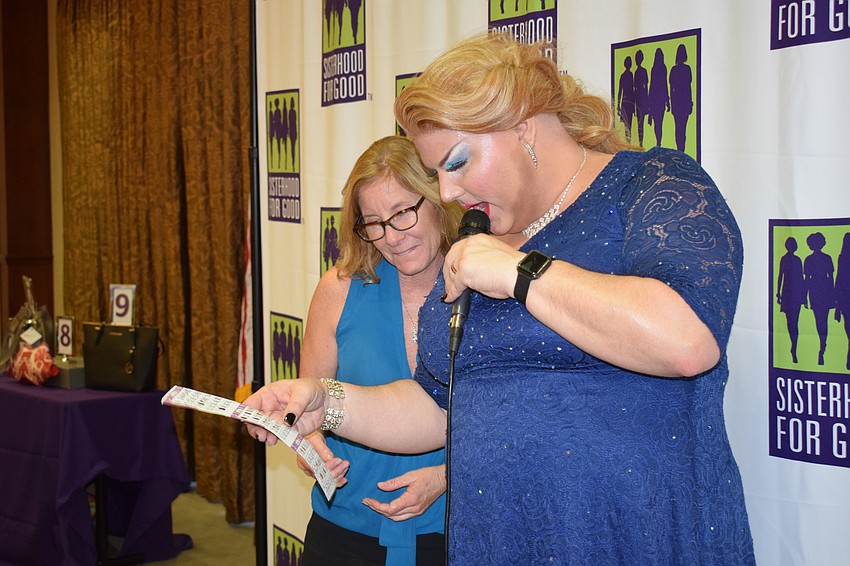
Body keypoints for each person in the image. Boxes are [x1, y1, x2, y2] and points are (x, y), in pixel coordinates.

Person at [247, 33, 755, 565]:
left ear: (521, 124)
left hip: (635, 535)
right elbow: (436, 405)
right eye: (437, 172)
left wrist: (520, 270)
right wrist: (326, 401)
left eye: (456, 162)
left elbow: (686, 341)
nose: (445, 191)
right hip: (497, 541)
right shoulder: (476, 238)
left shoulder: (649, 185)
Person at [272, 135, 463, 565]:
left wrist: (445, 478)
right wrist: (313, 448)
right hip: (343, 530)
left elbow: (511, 424)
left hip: (454, 529)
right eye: (372, 222)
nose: (389, 237)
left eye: (402, 213)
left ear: (439, 199)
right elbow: (309, 404)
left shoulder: (485, 288)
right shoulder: (338, 291)